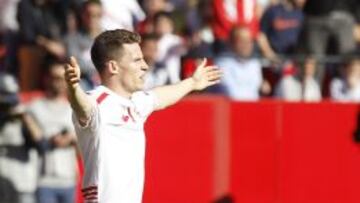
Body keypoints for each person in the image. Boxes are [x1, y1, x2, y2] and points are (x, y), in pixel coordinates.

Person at [64, 29, 221, 203]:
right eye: (137, 60)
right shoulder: (97, 101)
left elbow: (161, 96)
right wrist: (73, 88)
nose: (145, 66)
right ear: (113, 67)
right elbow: (82, 106)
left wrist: (192, 82)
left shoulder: (136, 102)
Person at [28, 61, 77, 203]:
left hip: (68, 179)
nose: (59, 82)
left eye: (63, 78)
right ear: (46, 78)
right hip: (43, 179)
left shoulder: (73, 109)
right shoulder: (34, 107)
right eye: (55, 77)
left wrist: (71, 138)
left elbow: (81, 146)